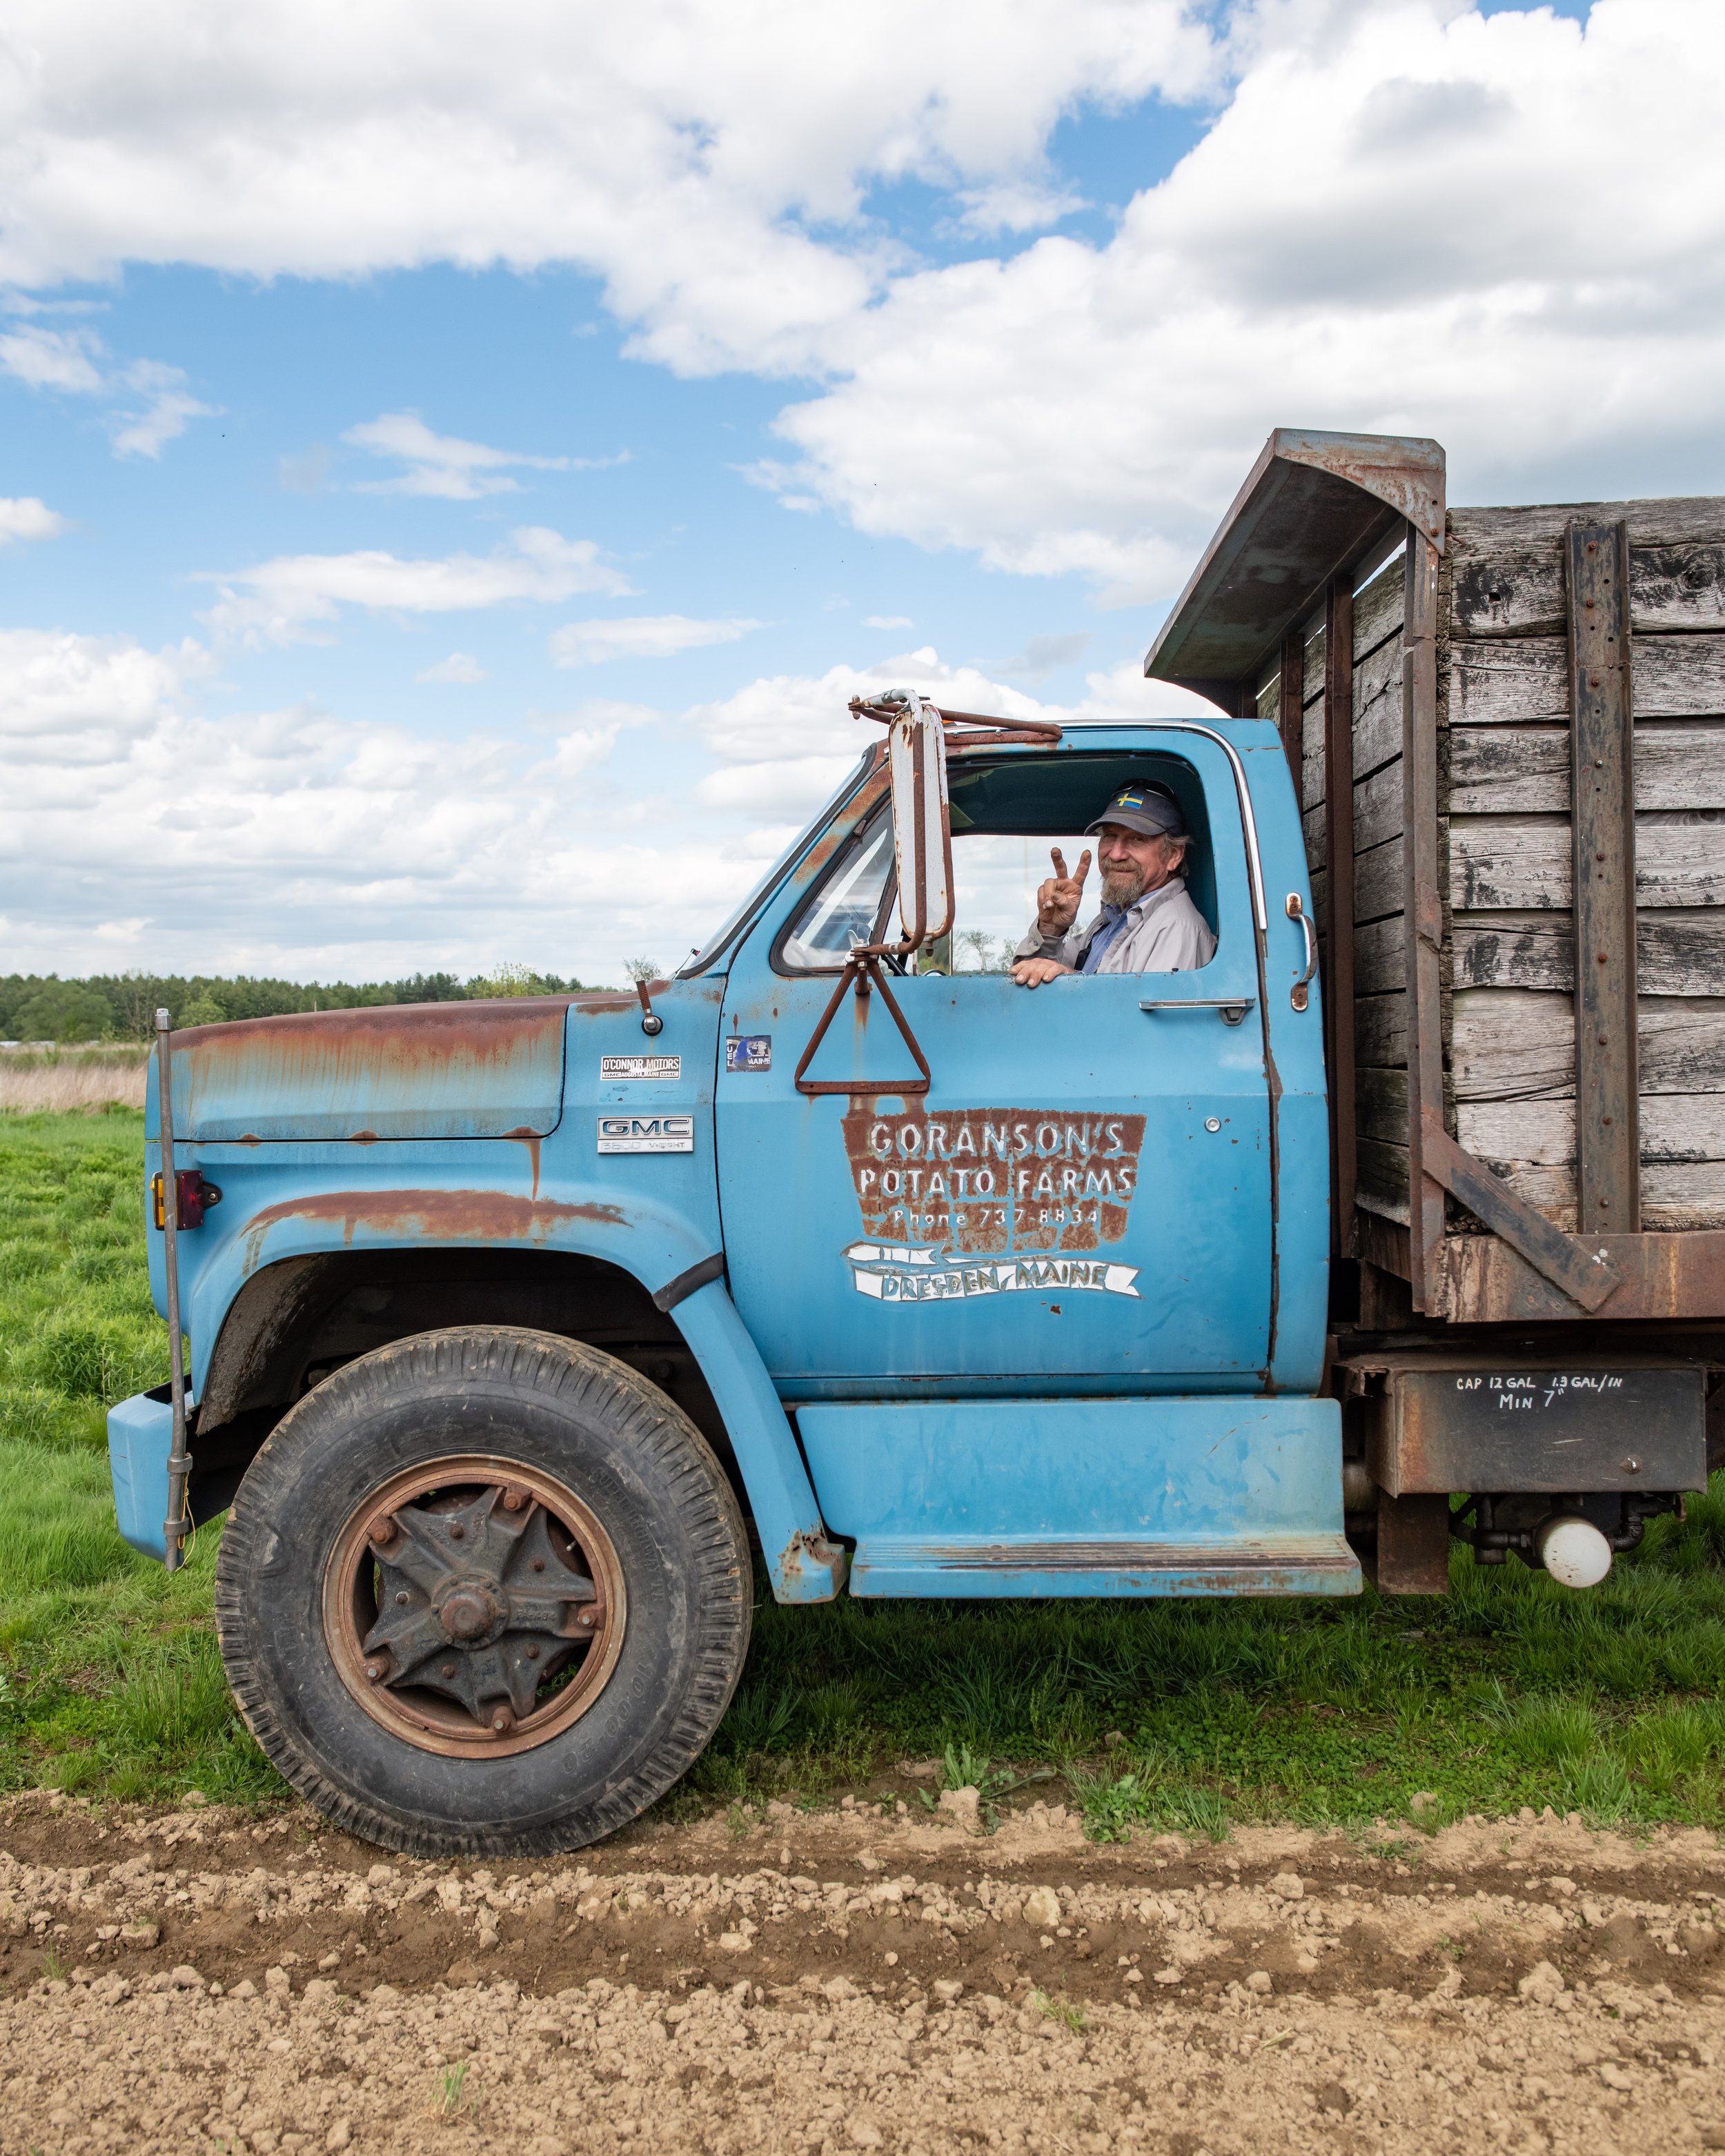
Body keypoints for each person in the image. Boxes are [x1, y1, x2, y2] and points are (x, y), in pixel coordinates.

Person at [1011, 782, 1217, 987]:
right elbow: (1030, 984)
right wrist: (1051, 929)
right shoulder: (1112, 920)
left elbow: (1141, 1018)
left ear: (1173, 855)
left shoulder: (1176, 928)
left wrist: (1075, 983)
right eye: (1110, 836)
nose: (1116, 854)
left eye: (1137, 839)